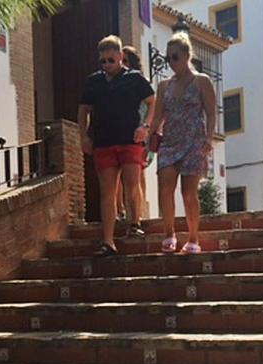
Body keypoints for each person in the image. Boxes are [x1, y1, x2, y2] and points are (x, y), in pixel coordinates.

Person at [78, 35, 155, 256]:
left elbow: (152, 101)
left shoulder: (134, 78)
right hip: (103, 142)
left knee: (132, 185)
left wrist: (145, 127)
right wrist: (83, 136)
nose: (107, 65)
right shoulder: (93, 81)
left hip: (130, 140)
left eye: (111, 60)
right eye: (103, 61)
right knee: (107, 193)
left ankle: (135, 223)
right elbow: (83, 110)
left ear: (121, 56)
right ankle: (108, 241)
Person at [147, 33, 216, 254]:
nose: (171, 62)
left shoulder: (202, 81)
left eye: (175, 57)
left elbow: (212, 113)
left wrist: (209, 138)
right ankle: (169, 234)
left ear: (187, 55)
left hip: (194, 142)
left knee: (189, 193)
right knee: (165, 189)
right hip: (169, 142)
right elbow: (158, 116)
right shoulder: (163, 86)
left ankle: (193, 237)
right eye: (168, 59)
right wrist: (149, 136)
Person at [118, 45, 151, 222]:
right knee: (119, 174)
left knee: (139, 174)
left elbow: (151, 107)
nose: (122, 64)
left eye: (125, 61)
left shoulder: (140, 82)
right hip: (122, 132)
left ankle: (139, 212)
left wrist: (146, 129)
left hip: (139, 133)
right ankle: (121, 210)